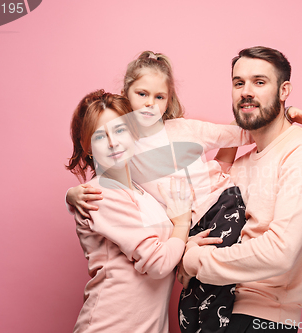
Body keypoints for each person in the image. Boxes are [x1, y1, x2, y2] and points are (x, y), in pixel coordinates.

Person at [66, 52, 302, 333]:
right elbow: (98, 136)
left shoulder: (184, 129)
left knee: (217, 283)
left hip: (220, 204)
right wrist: (72, 193)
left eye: (159, 97)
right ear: (127, 97)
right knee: (190, 299)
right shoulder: (127, 151)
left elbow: (242, 131)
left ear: (169, 99)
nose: (150, 103)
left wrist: (285, 114)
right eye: (141, 94)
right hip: (189, 225)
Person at [179, 46, 302, 333]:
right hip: (212, 309)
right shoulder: (242, 163)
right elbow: (201, 212)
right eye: (239, 83)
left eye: (259, 82)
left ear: (284, 90)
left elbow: (279, 252)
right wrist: (187, 248)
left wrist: (194, 261)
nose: (246, 91)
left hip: (260, 319)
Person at [66, 90, 211, 333]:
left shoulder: (141, 191)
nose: (113, 142)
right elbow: (157, 263)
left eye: (120, 130)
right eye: (100, 136)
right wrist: (182, 225)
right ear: (86, 146)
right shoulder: (100, 194)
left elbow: (161, 248)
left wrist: (185, 243)